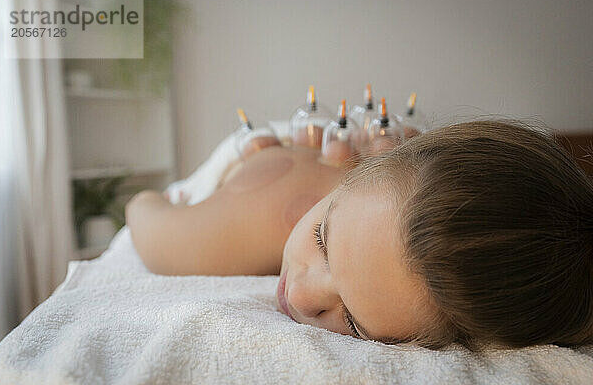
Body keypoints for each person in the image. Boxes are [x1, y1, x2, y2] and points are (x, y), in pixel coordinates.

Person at [125, 120, 593, 350]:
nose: (304, 296)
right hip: (267, 171)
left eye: (352, 322)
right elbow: (142, 212)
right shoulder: (270, 216)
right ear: (365, 168)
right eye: (322, 240)